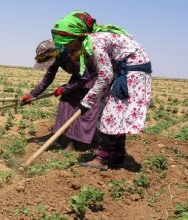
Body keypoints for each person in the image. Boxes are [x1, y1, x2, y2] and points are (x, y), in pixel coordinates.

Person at [51, 11, 152, 170]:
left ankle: (101, 160)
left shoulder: (95, 41)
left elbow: (105, 75)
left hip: (132, 73)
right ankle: (117, 158)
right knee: (116, 116)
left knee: (109, 116)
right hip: (130, 71)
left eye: (67, 43)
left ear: (76, 37)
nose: (66, 47)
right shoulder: (97, 38)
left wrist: (87, 101)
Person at [20, 39, 101, 150]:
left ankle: (75, 142)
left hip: (94, 78)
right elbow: (47, 79)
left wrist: (65, 89)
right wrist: (31, 95)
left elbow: (85, 78)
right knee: (65, 102)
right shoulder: (56, 59)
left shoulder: (73, 55)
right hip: (80, 78)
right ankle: (59, 137)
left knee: (82, 106)